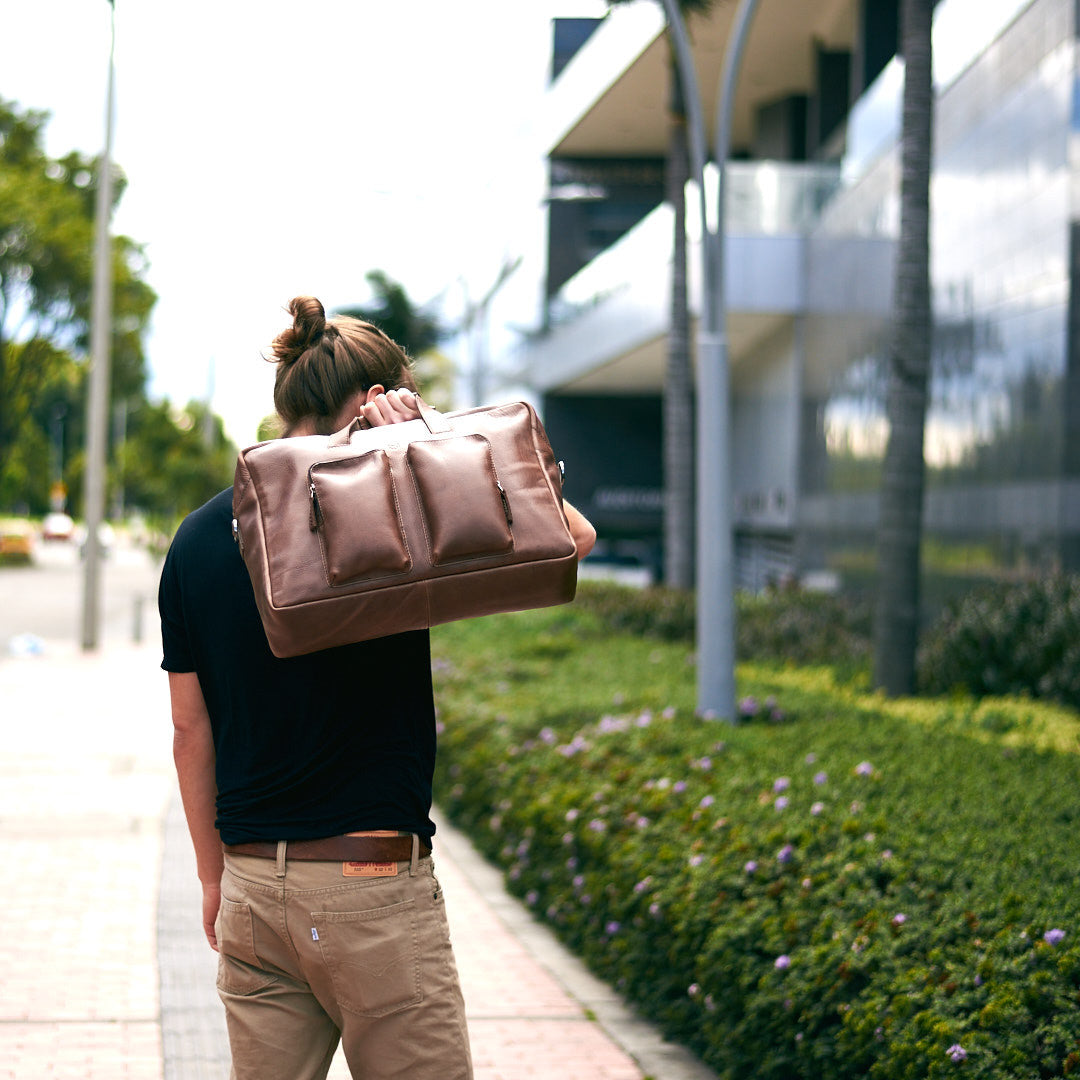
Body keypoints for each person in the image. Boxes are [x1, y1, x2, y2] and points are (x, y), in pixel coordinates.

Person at [159, 295, 596, 1080]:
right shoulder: (392, 513)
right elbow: (572, 537)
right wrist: (430, 434)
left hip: (254, 887)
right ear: (374, 402)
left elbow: (191, 732)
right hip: (372, 886)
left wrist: (212, 879)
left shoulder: (194, 538)